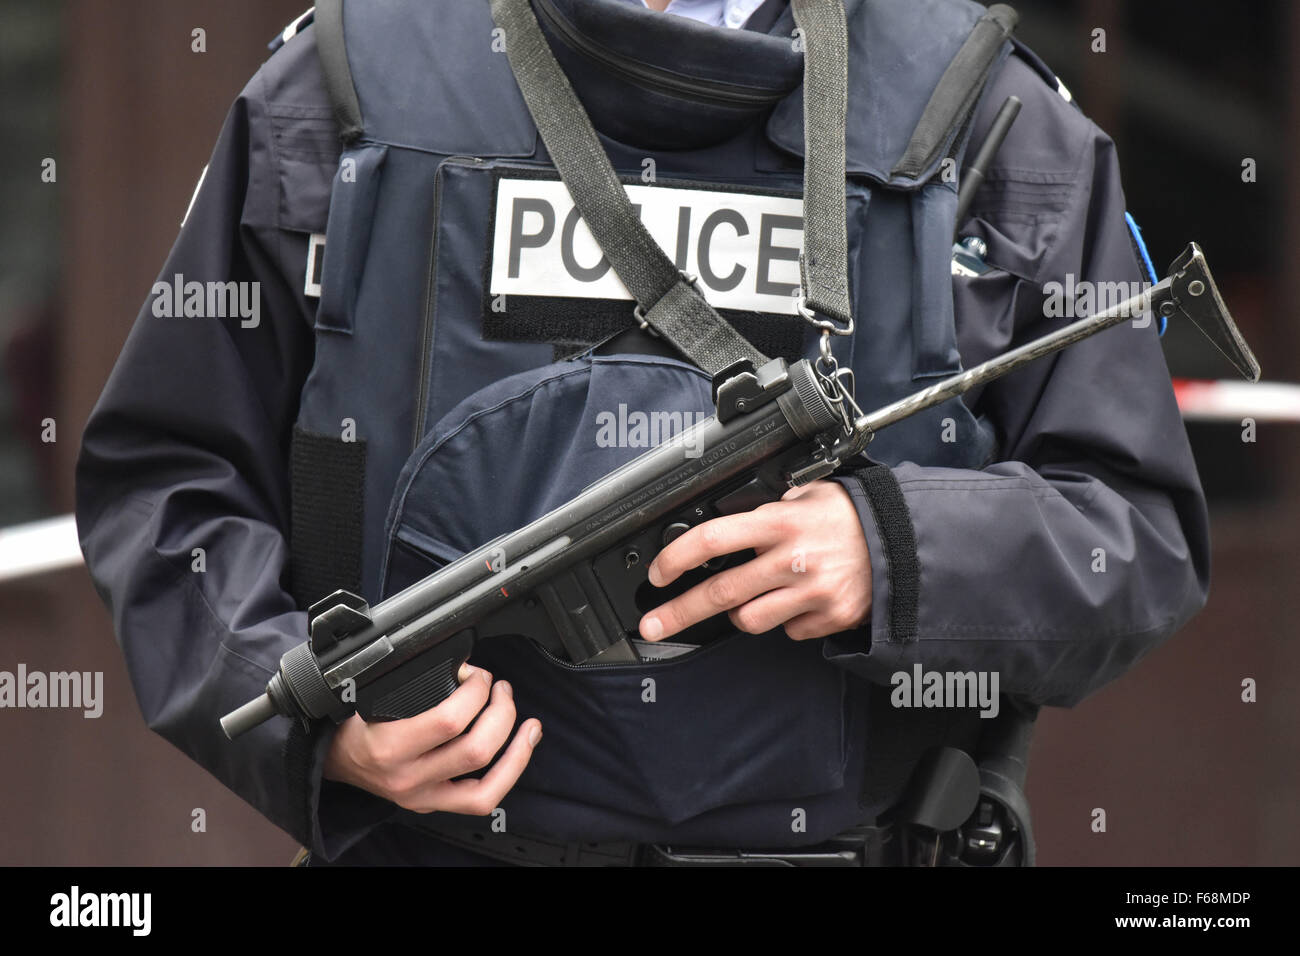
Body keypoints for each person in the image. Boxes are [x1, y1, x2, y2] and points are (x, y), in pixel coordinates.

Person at [75, 0, 1209, 866]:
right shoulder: (347, 76)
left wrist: (898, 547)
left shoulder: (987, 113)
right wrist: (310, 725)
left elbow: (1137, 528)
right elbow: (169, 474)